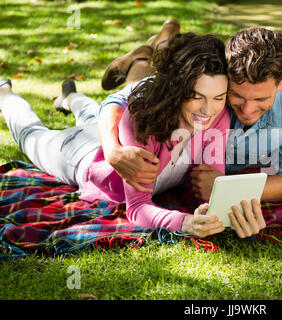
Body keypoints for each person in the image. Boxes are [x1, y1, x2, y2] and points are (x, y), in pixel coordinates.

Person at [0, 32, 266, 239]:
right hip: (80, 155)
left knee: (92, 116)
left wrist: (217, 211)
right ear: (177, 89)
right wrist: (186, 223)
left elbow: (211, 186)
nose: (208, 110)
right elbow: (136, 208)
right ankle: (6, 95)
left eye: (218, 97)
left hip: (104, 131)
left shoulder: (219, 116)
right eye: (197, 97)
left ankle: (70, 97)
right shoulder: (143, 119)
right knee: (32, 136)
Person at [100, 23, 282, 204]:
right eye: (237, 96)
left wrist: (227, 189)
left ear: (281, 83)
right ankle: (156, 46)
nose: (247, 109)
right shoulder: (215, 73)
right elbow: (118, 100)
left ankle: (151, 49)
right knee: (149, 81)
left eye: (261, 99)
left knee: (154, 68)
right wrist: (113, 151)